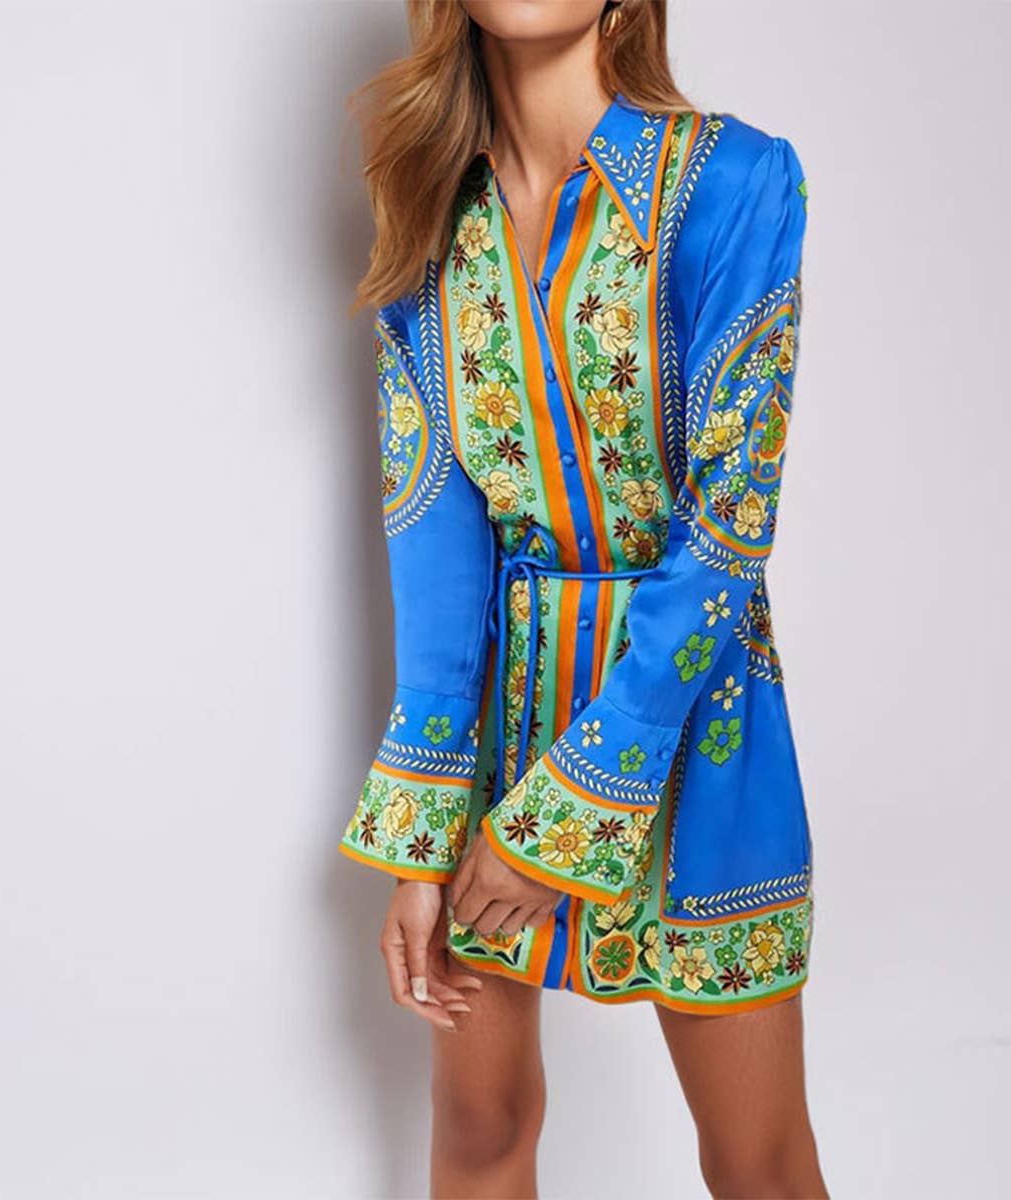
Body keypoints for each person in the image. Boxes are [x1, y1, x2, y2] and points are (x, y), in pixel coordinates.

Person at [341, 2, 826, 1195]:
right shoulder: (429, 213)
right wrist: (423, 843)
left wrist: (575, 804)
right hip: (495, 735)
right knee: (480, 1129)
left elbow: (729, 524)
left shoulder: (736, 182)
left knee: (759, 1165)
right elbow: (433, 538)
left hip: (697, 732)